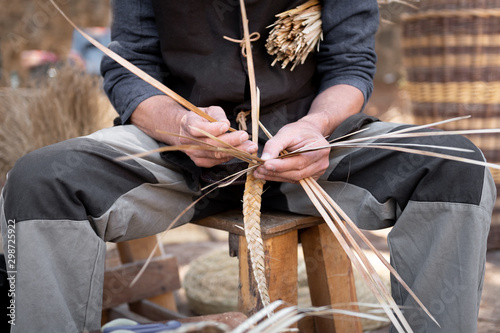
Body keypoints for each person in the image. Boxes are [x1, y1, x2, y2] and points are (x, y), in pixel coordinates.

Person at [0, 0, 494, 332]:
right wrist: (179, 128)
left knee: (454, 167)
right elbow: (128, 67)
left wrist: (317, 125)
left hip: (312, 152)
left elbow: (352, 66)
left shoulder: (318, 132)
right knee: (40, 182)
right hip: (176, 157)